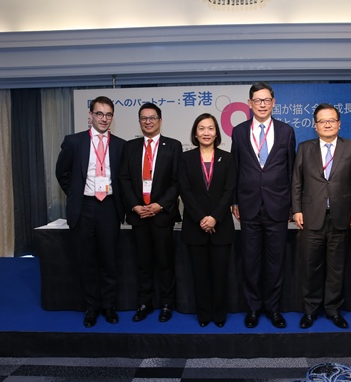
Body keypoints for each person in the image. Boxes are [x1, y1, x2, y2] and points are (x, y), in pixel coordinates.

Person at [292, 103, 351, 329]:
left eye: (331, 120)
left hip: (341, 216)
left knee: (336, 267)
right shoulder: (304, 148)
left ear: (339, 124)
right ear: (315, 126)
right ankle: (311, 310)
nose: (327, 124)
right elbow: (296, 181)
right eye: (322, 121)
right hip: (311, 217)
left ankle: (333, 309)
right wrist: (296, 210)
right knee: (310, 266)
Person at [55, 95, 125, 328]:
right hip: (84, 206)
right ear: (90, 115)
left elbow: (123, 178)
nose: (103, 119)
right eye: (99, 114)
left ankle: (108, 306)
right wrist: (76, 193)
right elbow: (62, 172)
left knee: (109, 260)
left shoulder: (120, 145)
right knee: (87, 261)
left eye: (108, 115)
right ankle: (91, 307)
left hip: (109, 207)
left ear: (112, 118)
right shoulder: (74, 142)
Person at [231, 82, 296, 329]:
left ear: (273, 102)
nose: (262, 104)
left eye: (266, 100)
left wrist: (292, 205)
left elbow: (292, 171)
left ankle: (274, 309)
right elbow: (235, 169)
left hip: (278, 207)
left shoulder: (286, 131)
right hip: (248, 207)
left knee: (275, 262)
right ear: (249, 103)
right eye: (257, 100)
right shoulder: (238, 132)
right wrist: (234, 200)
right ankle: (253, 309)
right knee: (250, 262)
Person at [119, 102, 182, 323]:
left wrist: (160, 205)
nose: (148, 122)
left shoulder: (173, 146)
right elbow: (124, 179)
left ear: (160, 120)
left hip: (162, 215)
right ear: (139, 121)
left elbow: (177, 181)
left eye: (152, 118)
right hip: (138, 215)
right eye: (144, 118)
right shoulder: (130, 147)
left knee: (165, 263)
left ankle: (166, 304)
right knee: (143, 263)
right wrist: (135, 205)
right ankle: (144, 303)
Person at [178, 113, 236, 328]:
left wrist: (214, 218)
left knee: (220, 275)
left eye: (210, 128)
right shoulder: (185, 158)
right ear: (195, 132)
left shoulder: (227, 158)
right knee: (200, 275)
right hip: (195, 226)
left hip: (221, 226)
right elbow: (185, 191)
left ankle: (219, 314)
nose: (206, 132)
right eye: (201, 128)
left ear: (217, 133)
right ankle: (204, 314)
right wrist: (202, 218)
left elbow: (230, 190)